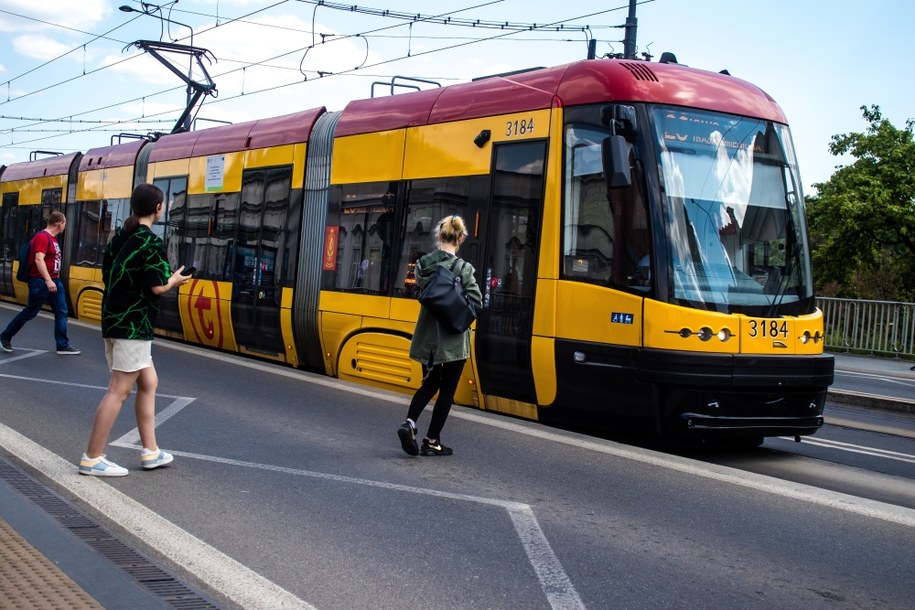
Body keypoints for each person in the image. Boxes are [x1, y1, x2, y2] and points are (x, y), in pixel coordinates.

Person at [78, 184, 191, 477]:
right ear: (157, 208)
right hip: (133, 324)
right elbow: (157, 285)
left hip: (115, 319)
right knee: (118, 390)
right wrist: (175, 281)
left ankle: (150, 451)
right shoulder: (149, 242)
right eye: (162, 205)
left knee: (149, 381)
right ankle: (92, 457)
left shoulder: (120, 238)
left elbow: (108, 275)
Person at [397, 215, 482, 457]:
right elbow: (477, 301)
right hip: (454, 340)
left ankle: (410, 423)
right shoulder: (463, 269)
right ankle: (432, 441)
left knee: (429, 383)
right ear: (461, 238)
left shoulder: (423, 264)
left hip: (429, 339)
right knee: (447, 392)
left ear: (439, 236)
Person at [0, 211, 80, 355]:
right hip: (41, 282)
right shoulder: (42, 237)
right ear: (59, 223)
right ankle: (5, 336)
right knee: (30, 312)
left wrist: (53, 280)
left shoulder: (53, 239)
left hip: (55, 281)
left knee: (62, 311)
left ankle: (62, 345)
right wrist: (48, 280)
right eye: (64, 223)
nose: (65, 226)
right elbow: (38, 259)